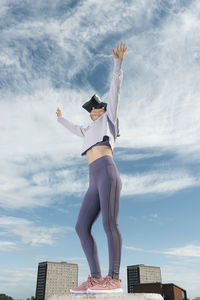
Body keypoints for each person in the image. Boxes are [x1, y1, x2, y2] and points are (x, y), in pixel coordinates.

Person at [56, 42, 127, 294]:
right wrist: (60, 118)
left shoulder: (109, 119)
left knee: (109, 223)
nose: (93, 110)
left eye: (96, 106)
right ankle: (96, 278)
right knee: (81, 226)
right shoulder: (87, 130)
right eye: (90, 109)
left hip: (107, 172)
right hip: (92, 180)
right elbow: (73, 127)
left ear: (104, 109)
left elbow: (115, 90)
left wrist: (117, 64)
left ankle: (114, 278)